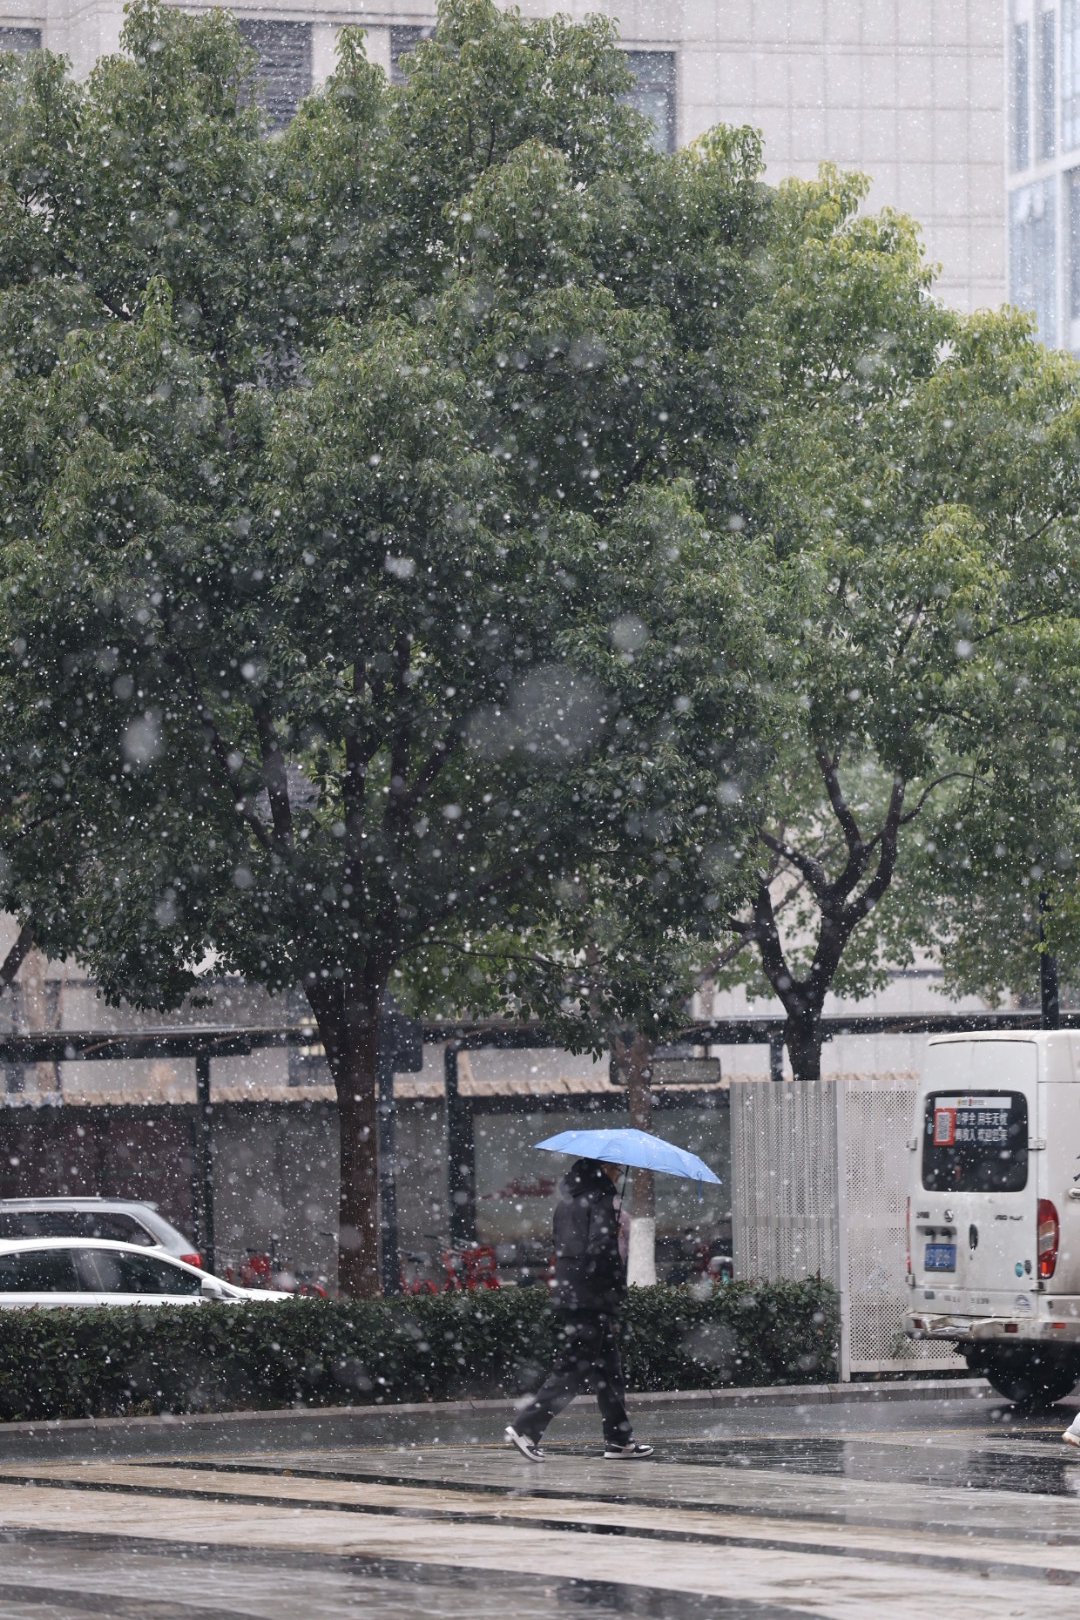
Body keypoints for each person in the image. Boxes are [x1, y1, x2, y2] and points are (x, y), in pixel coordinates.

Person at [505, 1157, 654, 1462]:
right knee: (573, 1368)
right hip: (592, 1296)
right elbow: (600, 1251)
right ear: (603, 1170)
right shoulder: (601, 1200)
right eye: (616, 1169)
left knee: (608, 1371)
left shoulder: (566, 1203)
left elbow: (565, 1245)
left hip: (572, 1292)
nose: (618, 1176)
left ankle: (619, 1440)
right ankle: (526, 1428)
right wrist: (612, 1248)